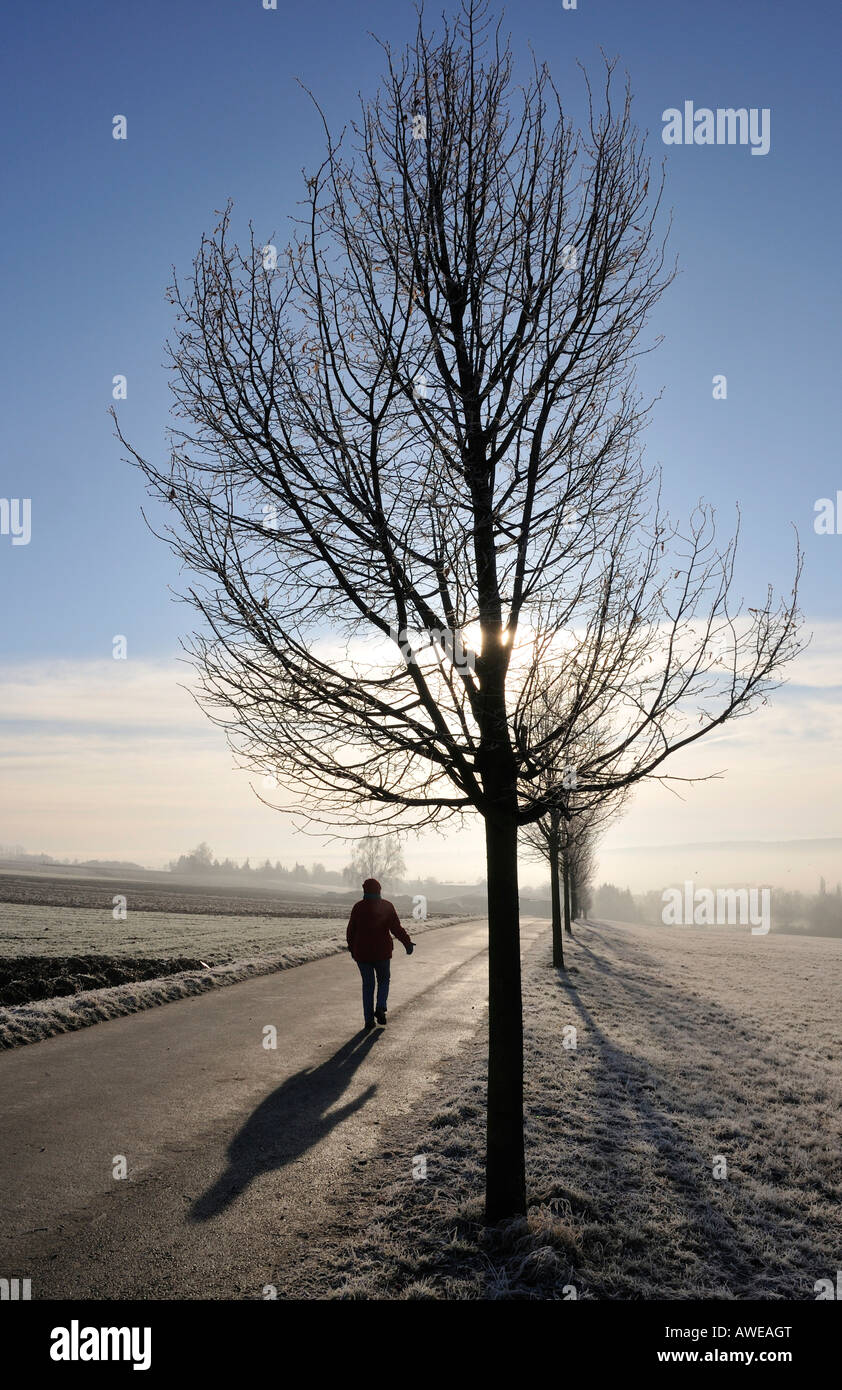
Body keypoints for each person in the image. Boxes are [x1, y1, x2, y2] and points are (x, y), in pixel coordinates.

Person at [346, 877, 414, 1030]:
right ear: (379, 890)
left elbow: (351, 931)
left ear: (364, 890)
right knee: (384, 980)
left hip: (362, 954)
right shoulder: (387, 907)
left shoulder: (358, 907)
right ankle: (381, 1006)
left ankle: (369, 1020)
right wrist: (407, 943)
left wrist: (352, 948)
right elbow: (397, 929)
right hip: (382, 953)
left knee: (368, 985)